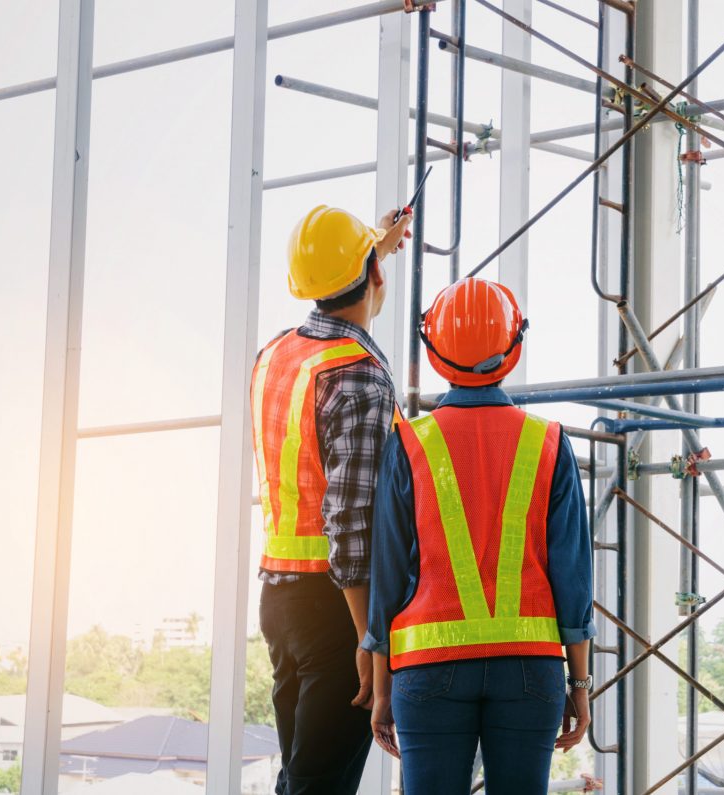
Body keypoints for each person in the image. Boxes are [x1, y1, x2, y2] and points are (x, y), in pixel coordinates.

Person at [363, 277, 596, 795]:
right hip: (529, 670)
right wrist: (579, 685)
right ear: (512, 347)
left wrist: (382, 687)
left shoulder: (409, 442)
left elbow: (387, 573)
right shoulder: (548, 443)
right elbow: (573, 579)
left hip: (427, 667)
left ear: (434, 349)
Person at [251, 204, 411, 794]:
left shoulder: (275, 354)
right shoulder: (359, 375)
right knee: (318, 785)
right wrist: (371, 645)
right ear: (374, 276)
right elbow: (350, 522)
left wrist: (374, 250)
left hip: (280, 598)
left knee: (300, 776)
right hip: (336, 607)